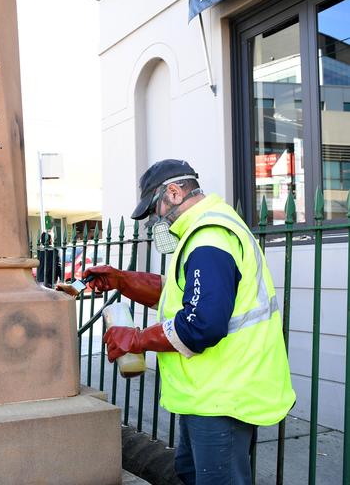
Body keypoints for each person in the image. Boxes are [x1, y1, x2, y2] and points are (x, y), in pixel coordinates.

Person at [84, 159, 295, 485]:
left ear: (174, 192)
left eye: (155, 208)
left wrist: (136, 339)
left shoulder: (209, 237)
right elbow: (180, 296)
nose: (156, 218)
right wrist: (122, 280)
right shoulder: (206, 231)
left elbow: (202, 323)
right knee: (191, 473)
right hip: (211, 394)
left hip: (223, 396)